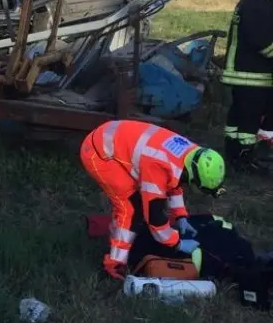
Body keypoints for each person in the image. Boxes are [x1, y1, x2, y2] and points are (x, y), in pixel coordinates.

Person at [80, 119, 226, 280]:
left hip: (113, 137)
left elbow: (175, 182)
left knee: (137, 205)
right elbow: (155, 218)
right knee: (131, 209)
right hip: (99, 153)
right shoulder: (158, 166)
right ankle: (114, 266)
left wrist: (181, 216)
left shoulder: (191, 154)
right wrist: (177, 243)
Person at [221, 0, 273, 173]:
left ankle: (233, 152)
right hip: (251, 75)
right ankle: (246, 158)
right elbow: (262, 42)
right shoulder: (257, 6)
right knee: (249, 120)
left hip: (242, 74)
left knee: (238, 116)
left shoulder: (250, 2)